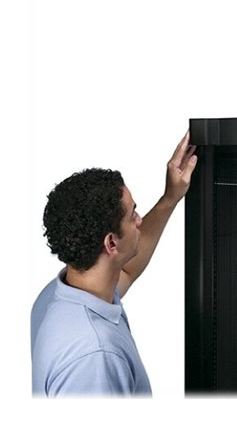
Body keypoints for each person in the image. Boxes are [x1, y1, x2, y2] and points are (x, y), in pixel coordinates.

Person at [31, 132, 197, 397]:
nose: (139, 220)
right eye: (133, 214)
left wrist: (170, 198)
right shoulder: (95, 357)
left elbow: (128, 270)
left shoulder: (57, 296)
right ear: (111, 243)